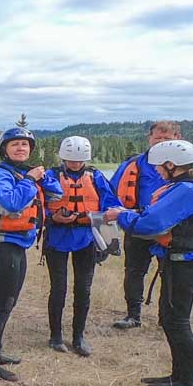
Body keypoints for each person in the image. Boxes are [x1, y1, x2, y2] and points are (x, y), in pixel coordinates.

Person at [106, 140, 193, 386]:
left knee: (177, 322)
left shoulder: (186, 189)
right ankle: (179, 376)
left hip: (183, 263)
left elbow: (151, 223)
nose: (158, 172)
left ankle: (188, 383)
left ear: (172, 165)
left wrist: (121, 216)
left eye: (161, 168)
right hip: (187, 260)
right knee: (171, 319)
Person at [0, 127, 63, 383]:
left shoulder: (26, 173)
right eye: (15, 144)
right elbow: (11, 203)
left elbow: (57, 195)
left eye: (25, 145)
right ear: (4, 149)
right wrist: (31, 180)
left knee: (7, 303)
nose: (21, 148)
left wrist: (40, 177)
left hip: (16, 247)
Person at [43, 136, 121, 357]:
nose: (75, 164)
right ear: (63, 157)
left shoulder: (96, 177)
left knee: (83, 289)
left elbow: (110, 204)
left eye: (79, 160)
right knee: (59, 288)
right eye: (70, 160)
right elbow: (39, 203)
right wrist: (54, 216)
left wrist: (93, 218)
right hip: (57, 237)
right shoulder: (51, 176)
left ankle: (78, 337)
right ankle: (55, 336)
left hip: (86, 238)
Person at [109, 121, 183, 329]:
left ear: (178, 139)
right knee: (134, 270)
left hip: (173, 229)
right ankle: (133, 315)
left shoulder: (191, 169)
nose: (161, 142)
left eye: (166, 139)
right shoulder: (133, 164)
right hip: (138, 224)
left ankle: (166, 318)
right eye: (157, 138)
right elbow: (111, 193)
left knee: (170, 274)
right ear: (149, 139)